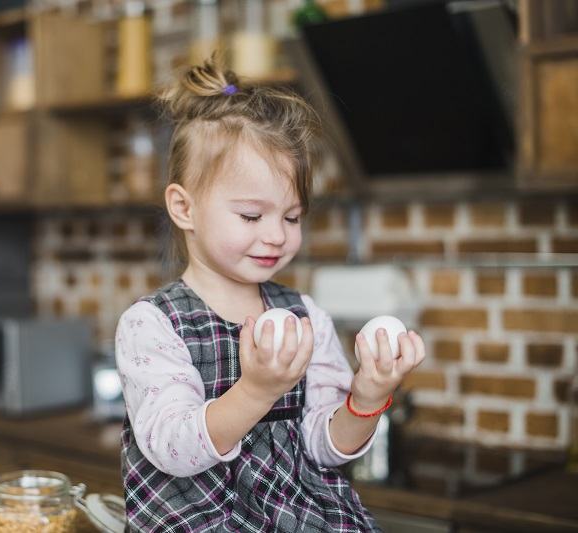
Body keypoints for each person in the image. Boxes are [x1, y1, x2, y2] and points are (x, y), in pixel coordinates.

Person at [114, 56, 426, 532]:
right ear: (184, 207)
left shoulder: (306, 316)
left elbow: (327, 447)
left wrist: (368, 397)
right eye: (252, 216)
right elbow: (173, 447)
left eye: (292, 217)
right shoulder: (152, 324)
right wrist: (257, 390)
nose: (277, 236)